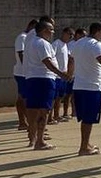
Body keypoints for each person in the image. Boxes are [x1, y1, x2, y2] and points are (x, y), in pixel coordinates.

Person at [23, 20, 72, 150]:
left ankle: (32, 138)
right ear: (44, 30)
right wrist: (61, 74)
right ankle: (40, 141)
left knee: (32, 110)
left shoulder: (30, 42)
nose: (52, 32)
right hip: (44, 80)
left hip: (32, 78)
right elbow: (47, 62)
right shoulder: (43, 43)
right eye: (51, 30)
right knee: (44, 111)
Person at [71, 22, 101, 156]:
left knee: (86, 118)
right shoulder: (96, 45)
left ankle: (86, 143)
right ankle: (83, 147)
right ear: (99, 31)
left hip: (79, 85)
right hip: (91, 86)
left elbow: (71, 60)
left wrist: (69, 73)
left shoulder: (78, 43)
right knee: (89, 119)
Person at [13, 19, 38, 130]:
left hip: (24, 73)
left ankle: (24, 123)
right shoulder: (23, 37)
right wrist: (28, 69)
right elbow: (21, 54)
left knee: (22, 98)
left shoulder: (27, 38)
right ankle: (30, 125)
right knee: (25, 99)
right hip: (23, 73)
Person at [51, 27, 73, 122]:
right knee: (54, 97)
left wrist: (68, 72)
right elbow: (52, 58)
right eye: (69, 34)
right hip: (57, 75)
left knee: (60, 97)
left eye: (72, 35)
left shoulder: (65, 45)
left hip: (63, 76)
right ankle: (50, 116)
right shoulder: (56, 44)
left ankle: (56, 115)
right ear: (64, 33)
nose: (70, 37)